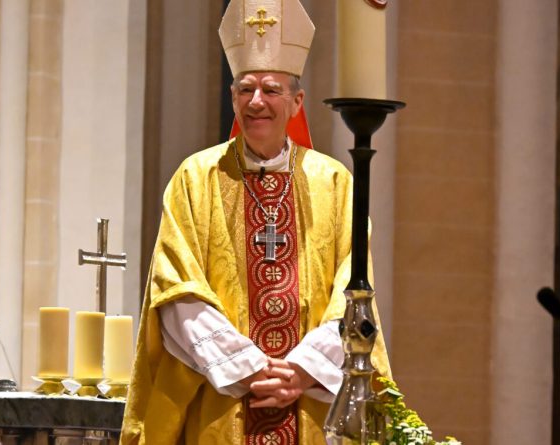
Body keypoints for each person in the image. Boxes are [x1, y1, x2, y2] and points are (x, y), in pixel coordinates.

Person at [120, 1, 390, 443]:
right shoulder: (196, 178)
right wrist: (250, 368)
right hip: (220, 405)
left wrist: (302, 370)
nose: (257, 102)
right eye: (245, 90)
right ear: (232, 98)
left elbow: (354, 294)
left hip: (309, 411)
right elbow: (175, 293)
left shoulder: (336, 184)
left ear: (296, 101)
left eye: (270, 89)